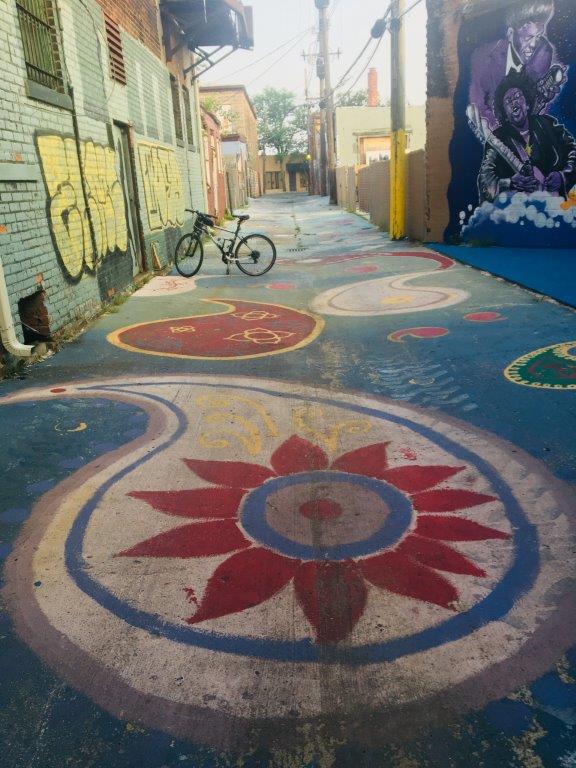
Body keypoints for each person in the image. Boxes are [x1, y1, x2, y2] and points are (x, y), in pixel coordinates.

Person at [478, 71, 576, 203]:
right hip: (517, 210)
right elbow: (485, 181)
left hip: (556, 207)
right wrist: (510, 183)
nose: (514, 102)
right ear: (505, 114)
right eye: (508, 101)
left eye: (518, 96)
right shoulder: (497, 139)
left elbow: (573, 151)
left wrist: (562, 176)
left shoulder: (547, 124)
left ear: (527, 104)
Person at [469, 1, 560, 129]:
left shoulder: (544, 53)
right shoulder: (483, 59)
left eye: (539, 36)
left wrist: (541, 100)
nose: (534, 44)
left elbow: (533, 105)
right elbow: (478, 108)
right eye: (528, 38)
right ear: (511, 34)